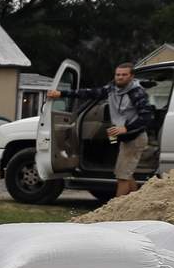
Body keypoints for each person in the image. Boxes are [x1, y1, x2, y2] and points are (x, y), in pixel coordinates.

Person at [46, 62, 155, 198]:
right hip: (124, 138)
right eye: (117, 74)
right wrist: (62, 93)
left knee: (122, 176)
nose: (120, 77)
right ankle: (136, 201)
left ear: (131, 76)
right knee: (125, 173)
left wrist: (126, 128)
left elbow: (147, 117)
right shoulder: (112, 88)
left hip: (135, 138)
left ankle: (115, 210)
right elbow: (90, 93)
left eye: (124, 75)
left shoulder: (137, 93)